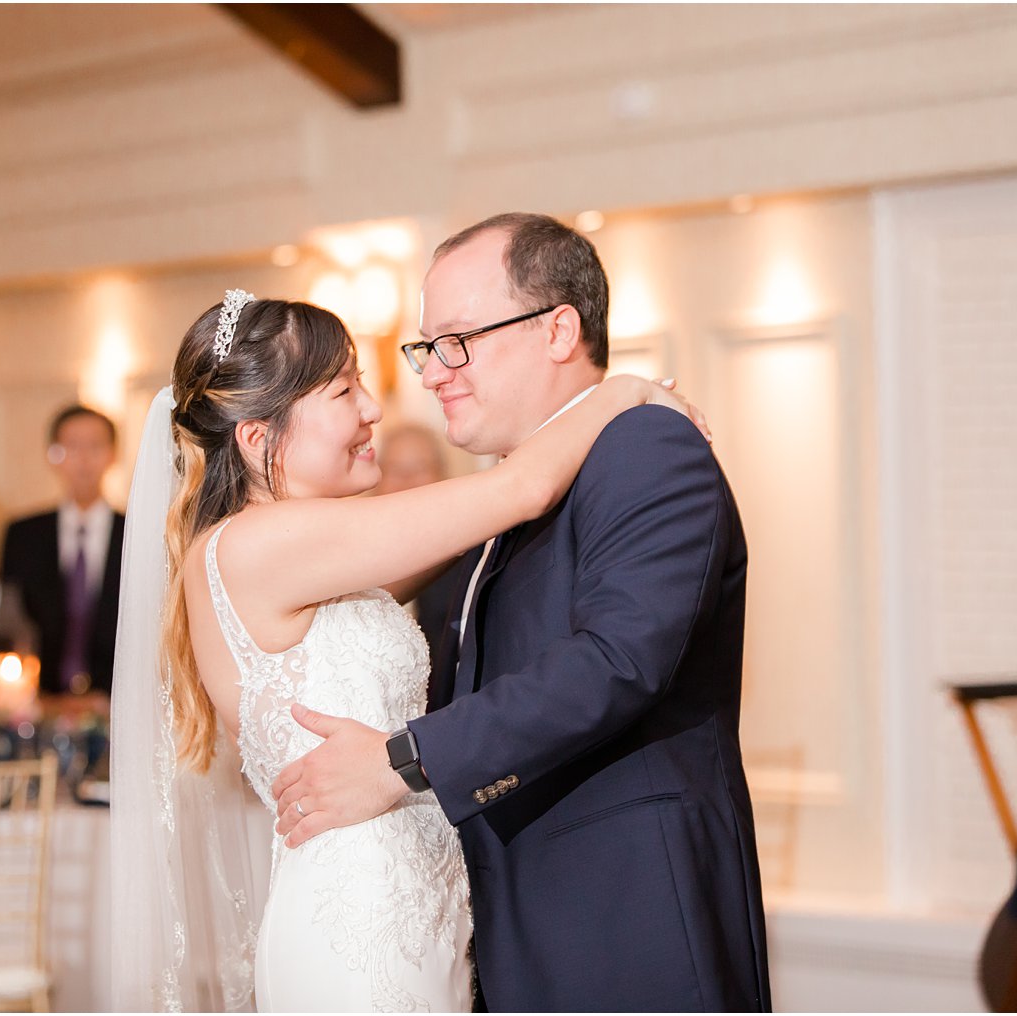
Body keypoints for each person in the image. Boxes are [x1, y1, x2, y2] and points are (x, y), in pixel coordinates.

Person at [109, 289, 704, 1011]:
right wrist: (621, 393)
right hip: (356, 927)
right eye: (343, 390)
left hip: (408, 913)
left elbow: (457, 536)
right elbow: (517, 490)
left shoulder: (294, 551)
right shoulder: (260, 543)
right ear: (259, 439)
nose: (373, 410)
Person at [269, 213, 771, 1011]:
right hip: (510, 925)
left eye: (457, 340)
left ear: (558, 328)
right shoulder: (503, 495)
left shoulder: (647, 447)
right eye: (427, 347)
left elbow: (618, 661)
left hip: (624, 915)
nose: (434, 372)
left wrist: (404, 760)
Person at [0, 404, 125, 709]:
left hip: (117, 703)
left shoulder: (136, 531)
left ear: (112, 455)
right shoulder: (23, 535)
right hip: (37, 702)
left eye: (95, 447)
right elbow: (8, 620)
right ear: (53, 455)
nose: (83, 459)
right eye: (71, 447)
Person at [372, 422, 473, 697]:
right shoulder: (360, 561)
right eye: (395, 469)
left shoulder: (466, 557)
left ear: (443, 475)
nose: (407, 480)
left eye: (420, 468)